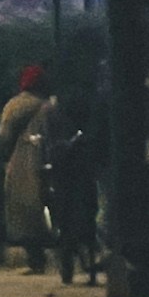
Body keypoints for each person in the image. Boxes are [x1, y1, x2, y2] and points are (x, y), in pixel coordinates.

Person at [42, 78, 105, 286]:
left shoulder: (53, 112)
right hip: (81, 167)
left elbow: (51, 143)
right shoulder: (86, 104)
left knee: (66, 217)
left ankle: (69, 261)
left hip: (64, 169)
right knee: (85, 213)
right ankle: (88, 257)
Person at [0, 61, 56, 269]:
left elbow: (4, 136)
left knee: (24, 211)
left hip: (21, 161)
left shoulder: (14, 106)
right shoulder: (49, 106)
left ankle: (35, 259)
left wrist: (7, 157)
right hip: (48, 159)